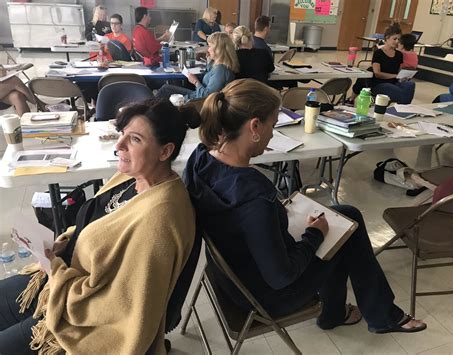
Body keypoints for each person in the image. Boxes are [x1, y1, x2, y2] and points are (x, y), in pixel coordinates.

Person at [183, 78, 427, 335]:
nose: (271, 135)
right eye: (273, 126)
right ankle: (378, 315)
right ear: (254, 126)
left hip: (230, 274)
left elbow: (240, 218)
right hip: (267, 295)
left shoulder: (200, 158)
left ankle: (339, 313)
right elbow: (281, 277)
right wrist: (314, 235)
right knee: (343, 231)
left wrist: (280, 216)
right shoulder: (254, 194)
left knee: (347, 215)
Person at [0, 99, 200, 355]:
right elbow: (97, 222)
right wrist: (64, 243)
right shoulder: (132, 177)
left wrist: (56, 270)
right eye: (123, 134)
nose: (119, 145)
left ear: (165, 151)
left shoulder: (159, 221)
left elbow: (118, 306)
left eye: (135, 140)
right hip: (60, 279)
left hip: (79, 311)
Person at [156, 32, 238, 101]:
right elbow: (210, 76)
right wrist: (209, 60)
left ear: (218, 49)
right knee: (166, 88)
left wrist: (195, 82)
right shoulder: (218, 65)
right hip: (197, 94)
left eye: (210, 46)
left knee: (165, 90)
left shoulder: (221, 70)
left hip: (198, 101)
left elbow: (207, 97)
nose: (207, 49)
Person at [351, 23, 415, 104]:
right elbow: (377, 73)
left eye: (399, 39)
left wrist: (403, 76)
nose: (397, 41)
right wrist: (395, 76)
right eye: (394, 39)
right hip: (379, 83)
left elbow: (399, 71)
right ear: (387, 38)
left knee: (410, 84)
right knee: (398, 92)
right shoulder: (379, 53)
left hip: (393, 82)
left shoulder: (399, 54)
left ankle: (404, 105)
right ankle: (404, 104)